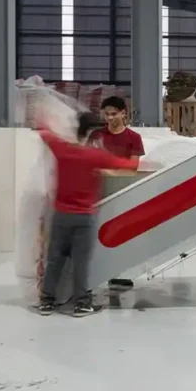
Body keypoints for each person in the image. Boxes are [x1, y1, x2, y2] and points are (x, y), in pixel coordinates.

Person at [38, 112, 140, 317]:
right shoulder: (96, 156)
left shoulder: (62, 149)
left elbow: (44, 133)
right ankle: (82, 304)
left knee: (55, 260)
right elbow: (129, 165)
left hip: (61, 216)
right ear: (94, 135)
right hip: (84, 217)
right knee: (81, 262)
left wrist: (44, 117)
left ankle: (47, 302)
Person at [89, 96, 144, 291]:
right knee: (96, 234)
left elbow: (133, 167)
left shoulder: (133, 138)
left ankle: (119, 273)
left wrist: (107, 171)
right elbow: (87, 161)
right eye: (107, 114)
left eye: (114, 114)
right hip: (97, 192)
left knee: (121, 233)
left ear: (123, 113)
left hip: (122, 191)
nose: (110, 118)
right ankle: (95, 274)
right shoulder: (97, 136)